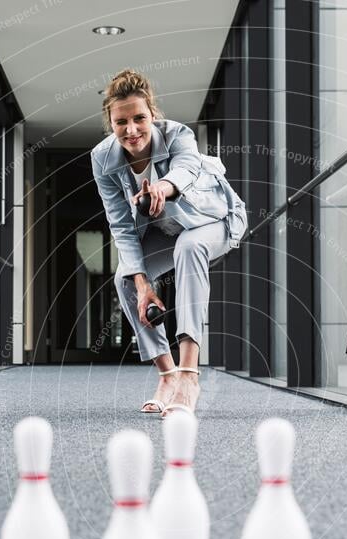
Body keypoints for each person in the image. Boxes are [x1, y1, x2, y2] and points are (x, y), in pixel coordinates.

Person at [90, 68, 248, 416]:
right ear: (110, 123)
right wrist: (144, 287)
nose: (131, 130)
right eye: (121, 122)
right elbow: (120, 224)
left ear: (153, 115)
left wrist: (162, 188)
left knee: (190, 247)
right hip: (166, 230)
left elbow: (188, 169)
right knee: (126, 279)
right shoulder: (102, 158)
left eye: (139, 118)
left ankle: (190, 374)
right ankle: (168, 375)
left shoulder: (178, 134)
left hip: (215, 219)